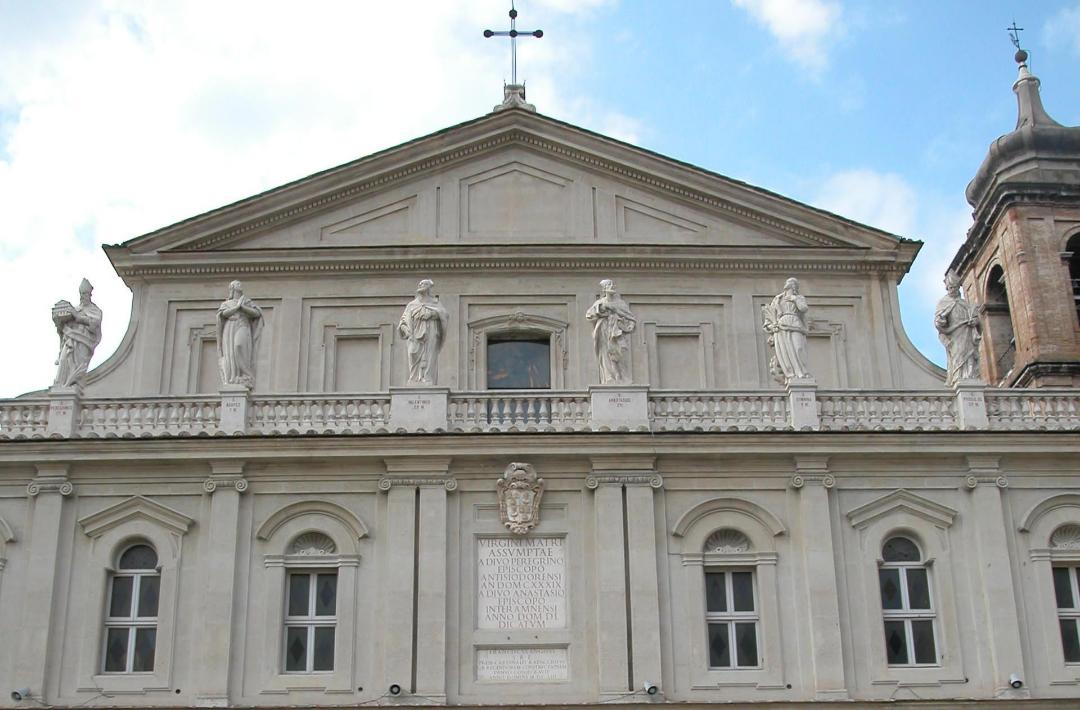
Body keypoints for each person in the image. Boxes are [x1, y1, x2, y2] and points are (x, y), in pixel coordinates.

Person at [52, 278, 103, 388]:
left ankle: (74, 386)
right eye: (81, 293)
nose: (82, 296)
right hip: (70, 340)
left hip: (83, 342)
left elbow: (94, 325)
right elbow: (63, 329)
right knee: (64, 360)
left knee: (78, 367)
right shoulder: (75, 309)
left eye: (84, 293)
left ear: (90, 295)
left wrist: (78, 317)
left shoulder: (95, 310)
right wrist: (59, 322)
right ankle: (62, 386)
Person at [585, 279, 638, 384]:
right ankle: (609, 378)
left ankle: (622, 377)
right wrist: (601, 309)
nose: (613, 286)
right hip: (603, 331)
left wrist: (627, 325)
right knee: (606, 354)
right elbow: (589, 315)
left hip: (617, 332)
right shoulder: (600, 303)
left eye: (613, 284)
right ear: (604, 289)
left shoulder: (620, 303)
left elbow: (631, 318)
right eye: (609, 284)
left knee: (621, 352)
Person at [934, 271, 982, 386]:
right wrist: (941, 321)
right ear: (947, 288)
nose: (953, 290)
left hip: (967, 332)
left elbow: (977, 320)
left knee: (969, 355)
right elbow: (938, 322)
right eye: (950, 287)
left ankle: (970, 375)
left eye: (955, 287)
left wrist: (975, 322)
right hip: (955, 335)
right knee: (958, 357)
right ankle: (959, 377)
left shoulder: (964, 303)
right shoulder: (944, 303)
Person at [398, 279, 449, 385]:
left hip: (430, 332)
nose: (420, 285)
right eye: (420, 283)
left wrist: (432, 315)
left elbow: (444, 314)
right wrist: (404, 328)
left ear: (429, 288)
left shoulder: (435, 302)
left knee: (430, 355)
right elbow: (403, 320)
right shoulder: (412, 304)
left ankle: (427, 377)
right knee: (413, 353)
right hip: (414, 334)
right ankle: (414, 378)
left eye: (424, 284)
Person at [762, 277, 811, 383]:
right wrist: (772, 326)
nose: (789, 284)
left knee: (798, 348)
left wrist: (794, 299)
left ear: (795, 287)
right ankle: (792, 375)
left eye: (792, 283)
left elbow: (803, 308)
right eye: (788, 282)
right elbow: (769, 318)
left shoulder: (798, 297)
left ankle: (803, 372)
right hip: (781, 326)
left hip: (795, 324)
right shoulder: (777, 299)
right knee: (784, 352)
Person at [216, 280, 263, 388]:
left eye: (240, 284)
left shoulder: (246, 301)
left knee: (239, 346)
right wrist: (236, 307)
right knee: (230, 353)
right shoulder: (226, 303)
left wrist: (243, 307)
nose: (240, 285)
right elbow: (223, 314)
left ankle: (246, 374)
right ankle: (233, 377)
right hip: (230, 328)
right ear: (232, 288)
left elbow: (256, 313)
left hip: (243, 325)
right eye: (237, 284)